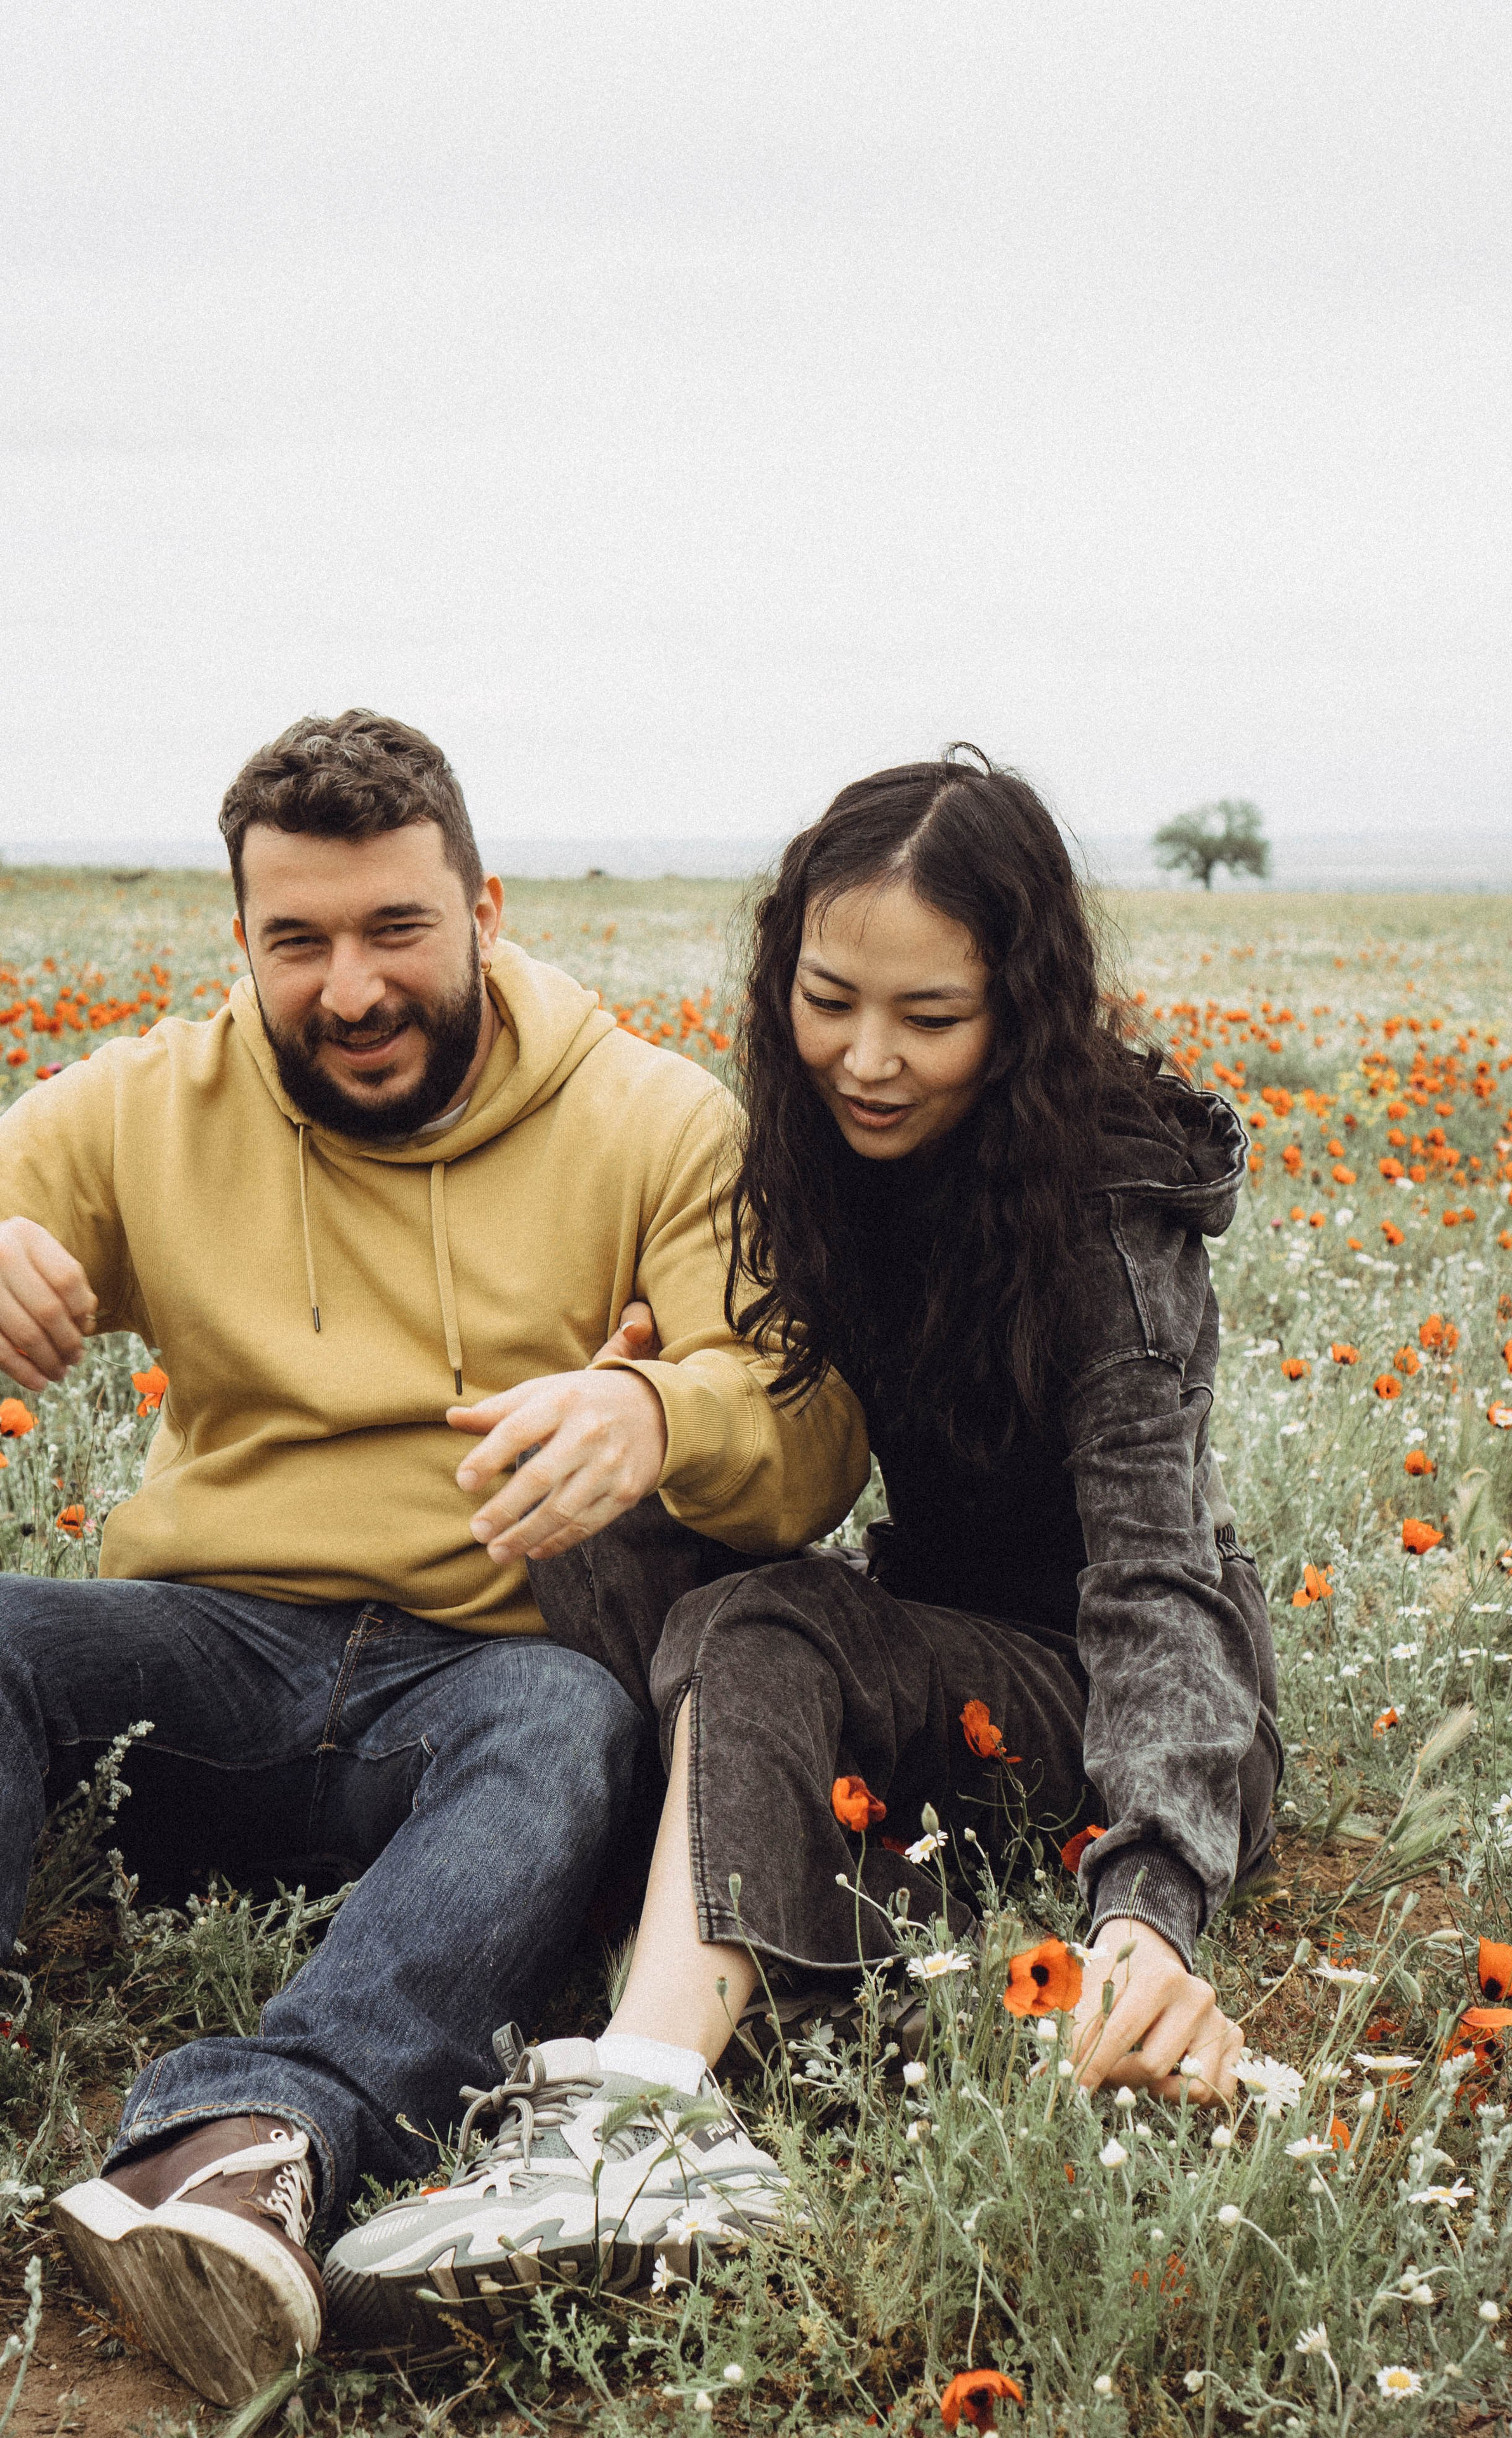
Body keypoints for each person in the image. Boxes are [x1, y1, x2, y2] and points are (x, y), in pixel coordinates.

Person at [327, 749, 1282, 2354]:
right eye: (829, 1000)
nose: (868, 1059)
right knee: (620, 1510)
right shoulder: (816, 1157)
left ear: (1021, 1007)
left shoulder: (1107, 1207)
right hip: (918, 1633)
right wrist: (648, 1392)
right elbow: (779, 1443)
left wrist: (1150, 1898)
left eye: (931, 1016)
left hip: (1083, 1680)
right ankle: (662, 1911)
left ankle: (643, 2122)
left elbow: (1153, 1573)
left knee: (771, 1624)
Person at [0, 711, 866, 2406]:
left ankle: (248, 2140)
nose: (351, 986)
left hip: (485, 1675)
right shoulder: (143, 1105)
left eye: (397, 928)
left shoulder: (653, 1122)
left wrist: (660, 1412)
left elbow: (808, 1433)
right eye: (298, 941)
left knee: (570, 1731)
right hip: (207, 1651)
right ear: (240, 939)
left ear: (484, 905)